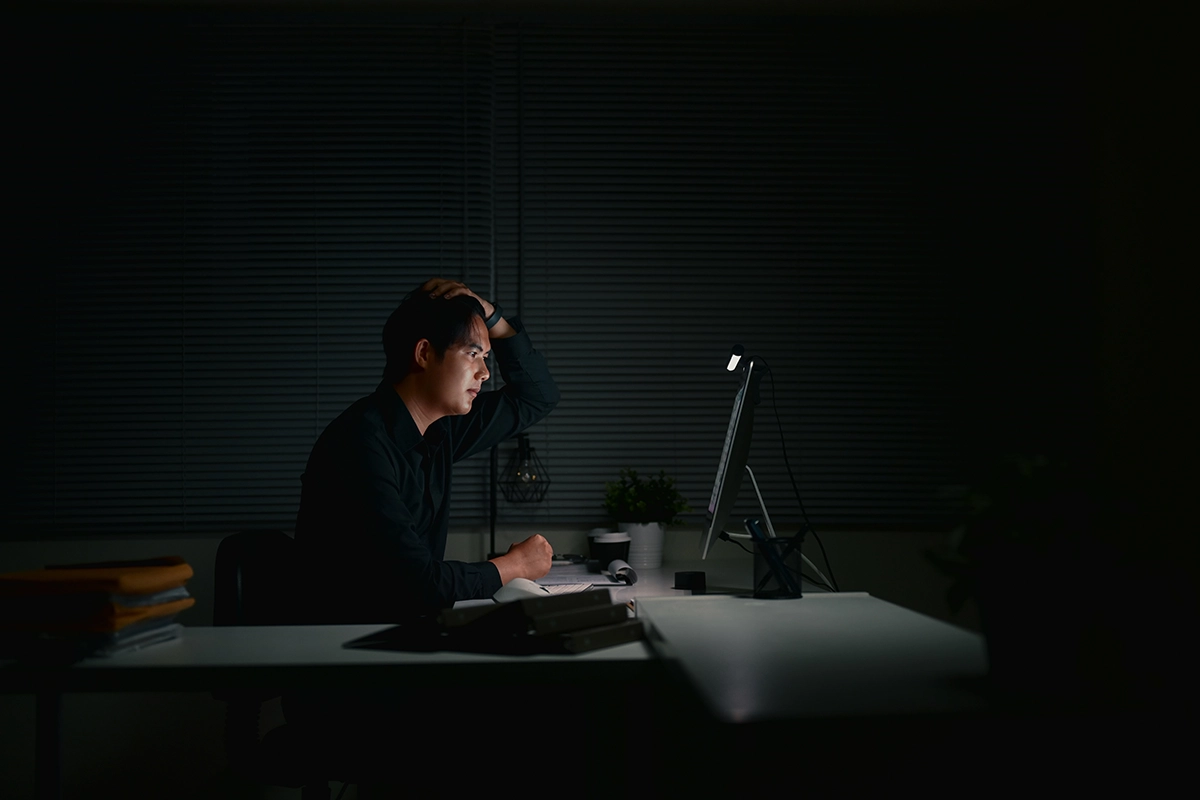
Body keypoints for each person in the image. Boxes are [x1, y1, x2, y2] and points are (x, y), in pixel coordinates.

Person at [293, 277, 559, 622]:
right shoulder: (359, 444)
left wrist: (493, 317)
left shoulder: (439, 429)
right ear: (424, 354)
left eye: (486, 357)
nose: (484, 373)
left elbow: (537, 396)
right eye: (473, 354)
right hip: (345, 640)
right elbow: (417, 583)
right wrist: (514, 566)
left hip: (408, 628)